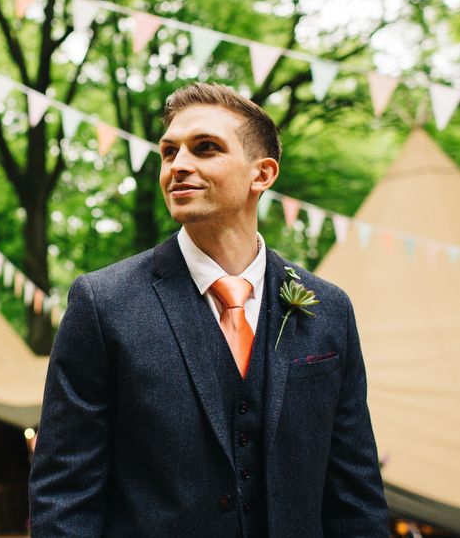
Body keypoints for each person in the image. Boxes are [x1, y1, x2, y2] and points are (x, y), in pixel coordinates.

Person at [29, 82, 388, 537]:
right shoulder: (103, 305)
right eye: (168, 152)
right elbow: (64, 494)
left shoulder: (329, 309)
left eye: (205, 149)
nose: (178, 166)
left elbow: (355, 492)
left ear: (262, 174)